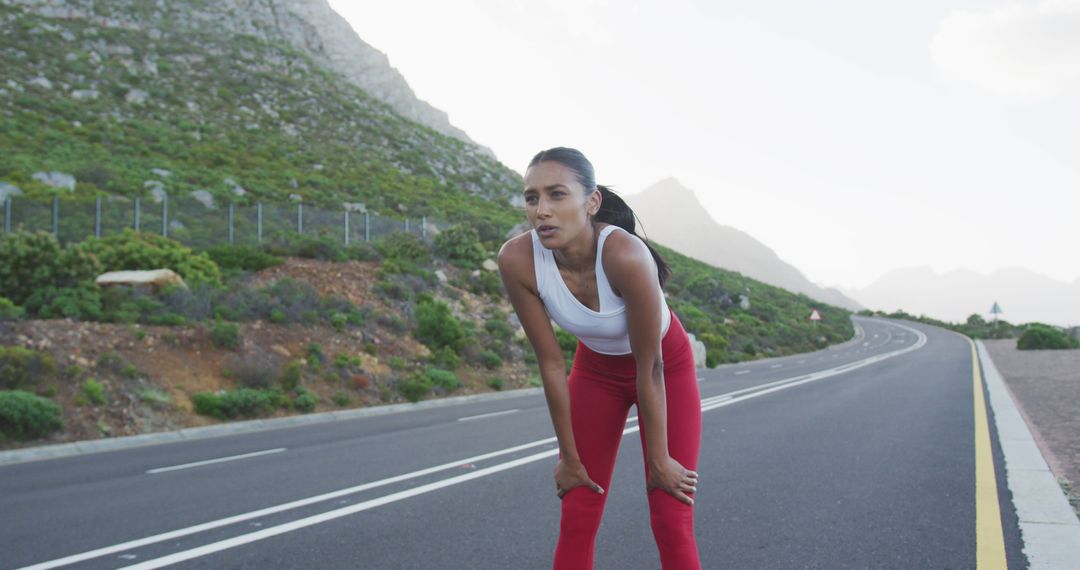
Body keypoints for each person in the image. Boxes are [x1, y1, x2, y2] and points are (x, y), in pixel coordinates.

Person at [497, 147, 702, 569]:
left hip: (664, 366)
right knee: (578, 509)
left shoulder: (625, 255)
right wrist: (569, 459)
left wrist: (659, 460)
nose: (541, 211)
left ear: (590, 203)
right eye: (532, 198)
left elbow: (652, 367)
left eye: (556, 195)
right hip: (595, 372)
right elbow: (551, 363)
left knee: (669, 512)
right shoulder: (517, 260)